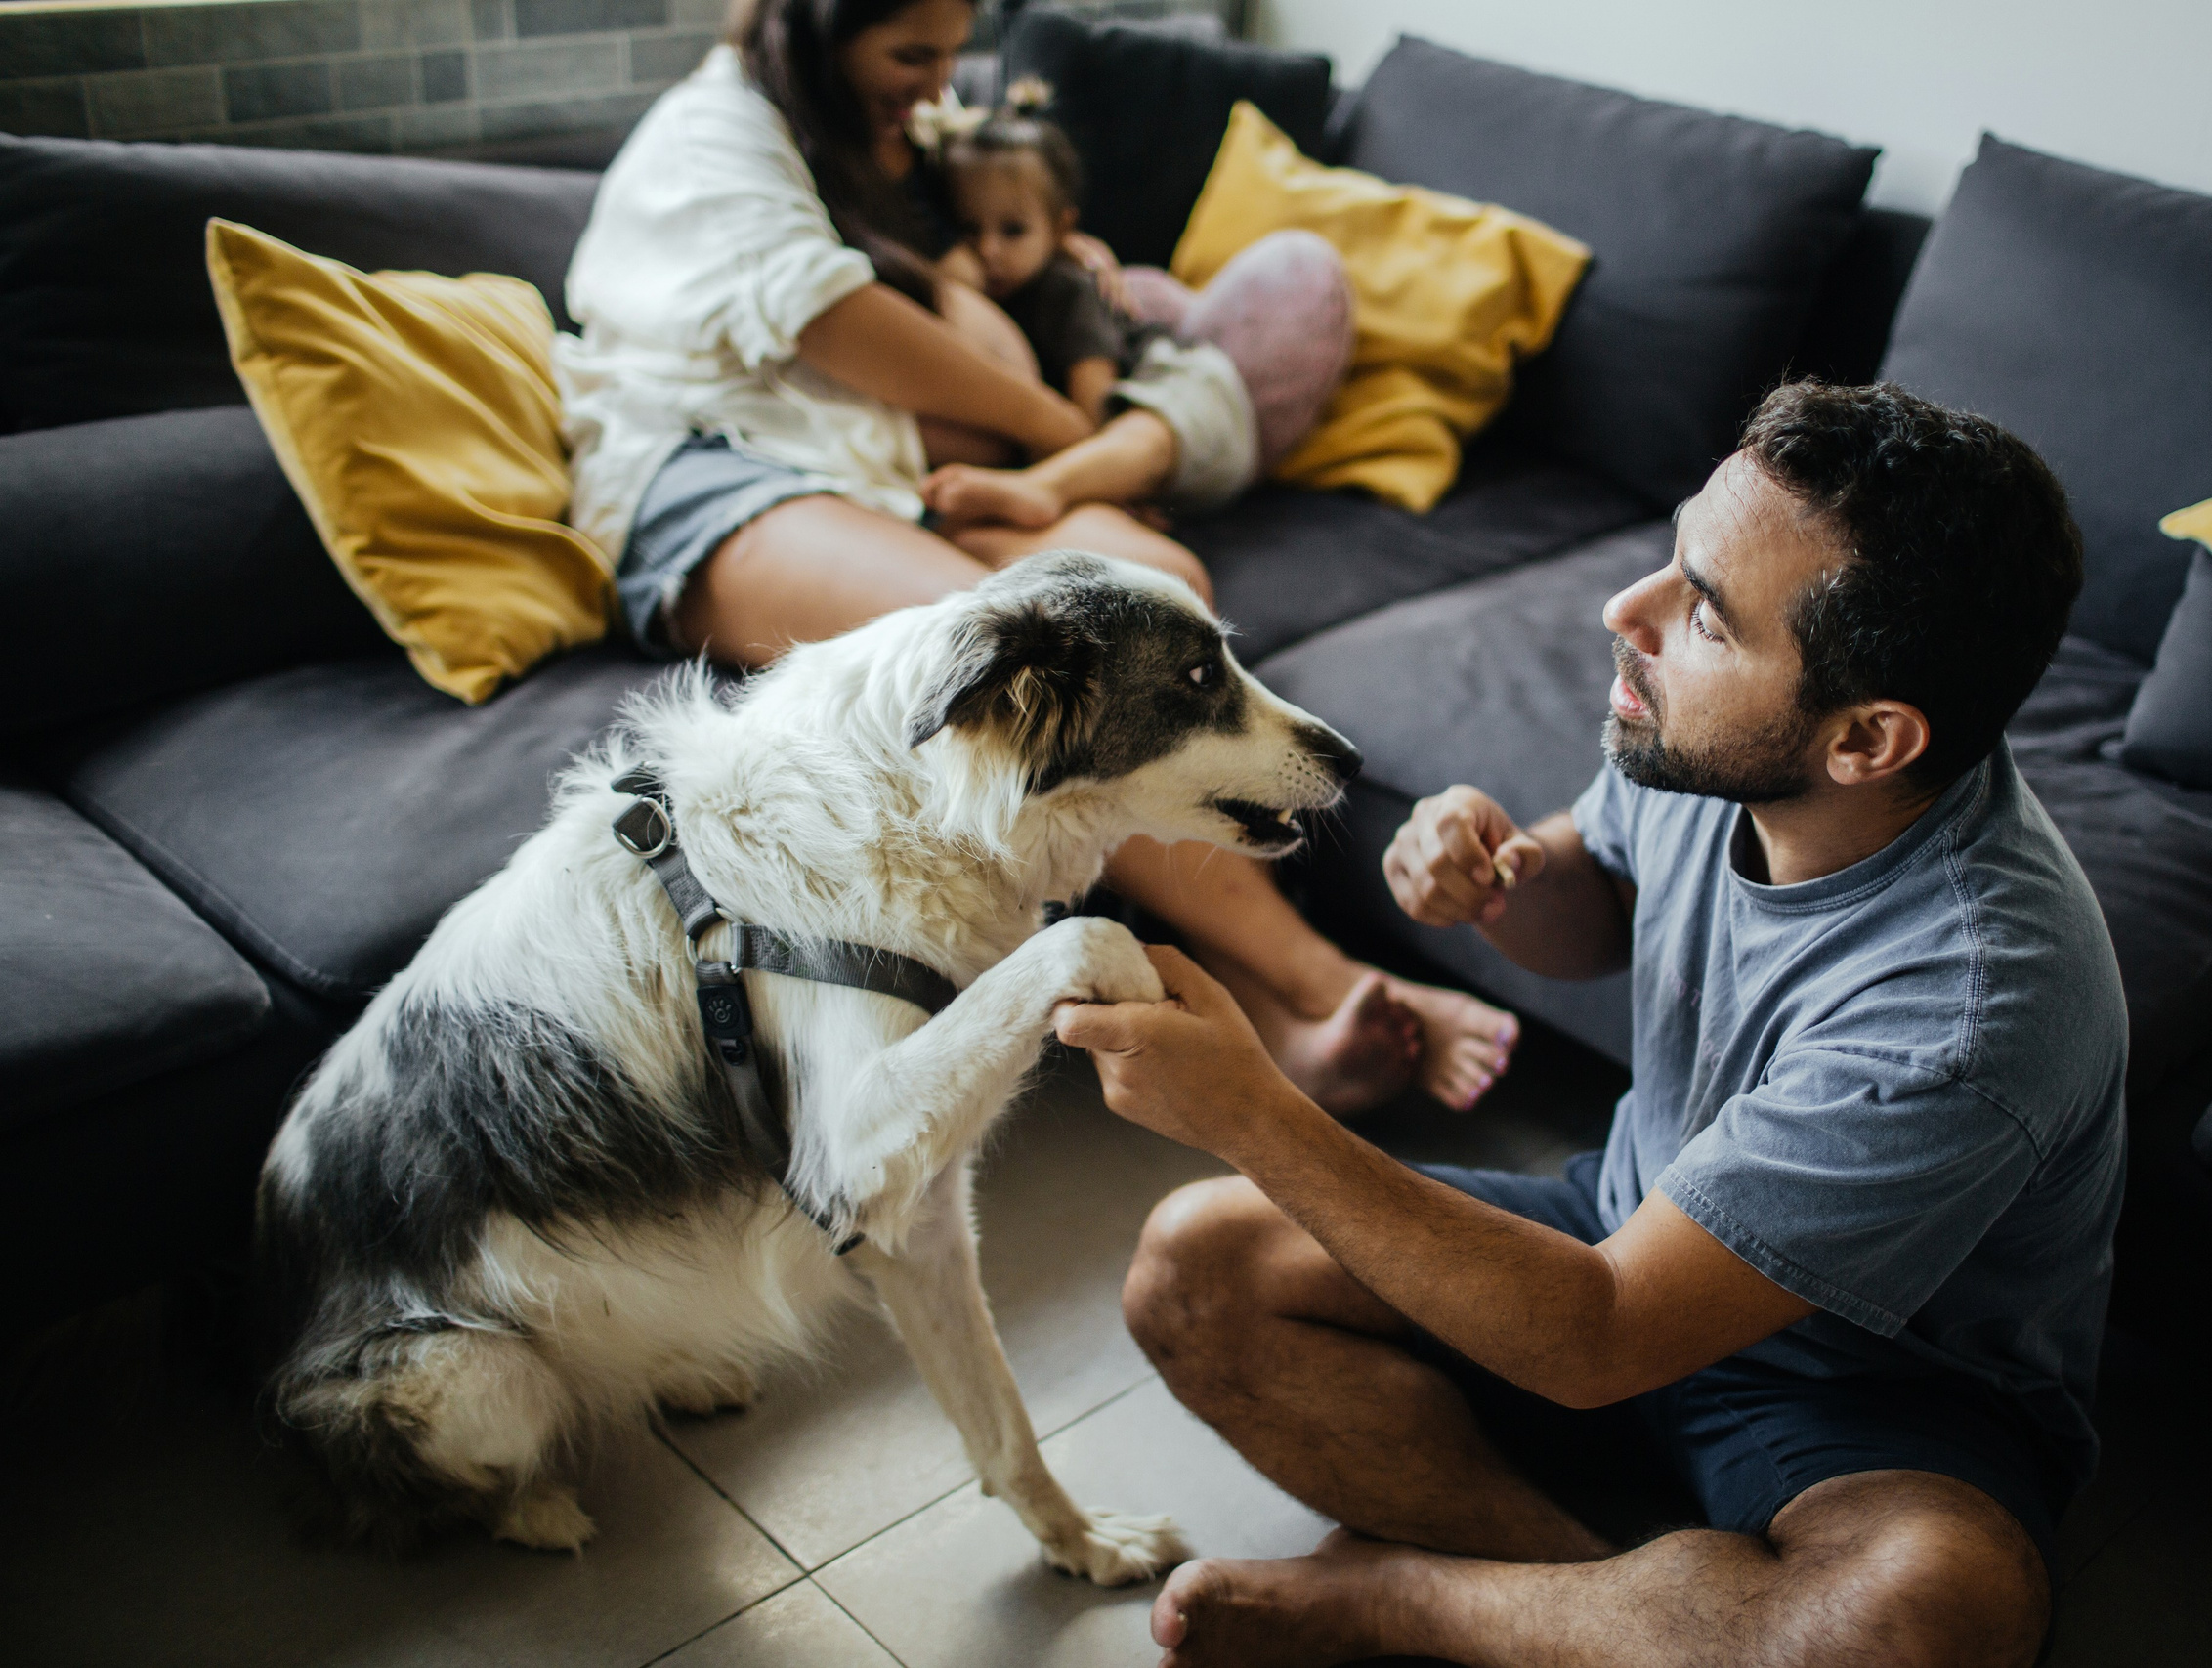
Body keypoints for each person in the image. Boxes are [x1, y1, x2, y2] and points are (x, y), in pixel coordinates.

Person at [1057, 382, 2127, 1668]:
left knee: (1922, 1618)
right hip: (1628, 1223)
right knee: (1195, 1265)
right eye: (1675, 554)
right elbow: (1598, 904)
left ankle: (1404, 1597)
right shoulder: (1706, 731)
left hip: (1868, 1388)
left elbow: (1601, 1335)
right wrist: (1502, 882)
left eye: (1704, 613)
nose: (1629, 610)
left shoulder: (1967, 1007)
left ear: (1866, 739)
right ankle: (1589, 1604)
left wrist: (1252, 1113)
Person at [554, 0, 1516, 1114]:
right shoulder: (712, 129)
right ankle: (1322, 981)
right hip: (714, 475)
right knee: (1042, 669)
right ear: (813, 29)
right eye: (911, 54)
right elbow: (833, 319)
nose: (938, 82)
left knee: (1155, 590)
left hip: (884, 473)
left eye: (951, 51)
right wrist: (1058, 429)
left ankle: (1261, 1016)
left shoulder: (884, 137)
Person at [918, 85, 1266, 530]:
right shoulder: (987, 297)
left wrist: (1099, 486)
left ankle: (1048, 489)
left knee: (1144, 433)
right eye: (969, 228)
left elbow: (1092, 414)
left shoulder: (1069, 292)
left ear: (1061, 229)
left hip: (1189, 387)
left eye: (1013, 230)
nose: (988, 250)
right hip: (1138, 455)